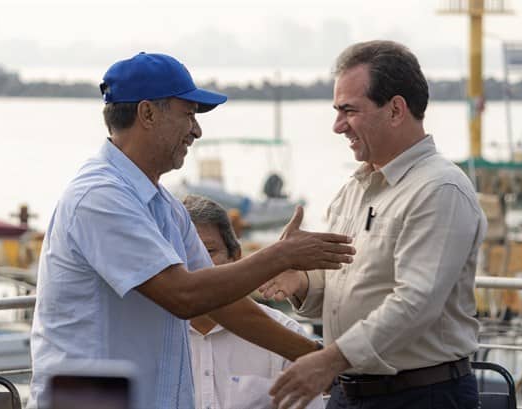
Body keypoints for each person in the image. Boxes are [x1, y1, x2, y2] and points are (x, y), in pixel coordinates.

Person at [27, 52, 355, 409]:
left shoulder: (165, 207)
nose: (197, 131)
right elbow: (183, 296)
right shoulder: (98, 197)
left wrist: (324, 360)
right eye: (189, 115)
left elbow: (224, 306)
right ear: (147, 114)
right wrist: (281, 256)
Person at [262, 40, 487, 409]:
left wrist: (329, 360)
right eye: (337, 111)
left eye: (349, 111)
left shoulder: (439, 189)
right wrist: (300, 282)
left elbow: (415, 304)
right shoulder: (355, 188)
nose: (337, 126)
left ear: (396, 109)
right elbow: (346, 287)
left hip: (421, 397)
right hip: (349, 392)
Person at [184, 194, 325, 409]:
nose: (194, 264)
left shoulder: (286, 332)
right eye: (180, 252)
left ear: (236, 257)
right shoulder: (152, 339)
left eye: (208, 251)